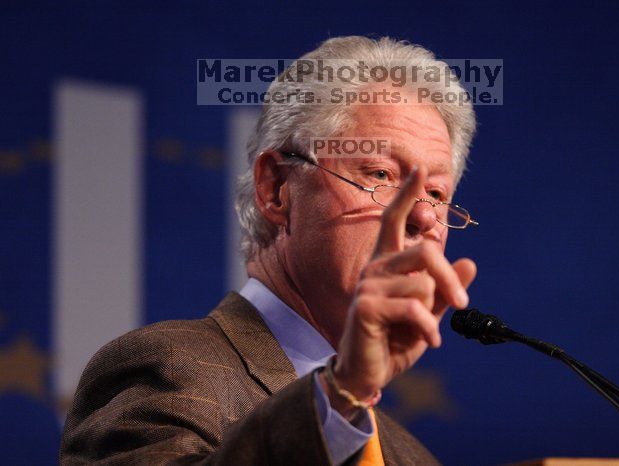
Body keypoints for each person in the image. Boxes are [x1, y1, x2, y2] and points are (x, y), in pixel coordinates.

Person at [60, 35, 478, 465]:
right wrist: (340, 396)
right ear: (276, 188)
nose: (425, 217)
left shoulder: (412, 457)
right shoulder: (165, 368)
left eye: (436, 192)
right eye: (380, 174)